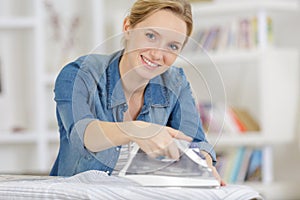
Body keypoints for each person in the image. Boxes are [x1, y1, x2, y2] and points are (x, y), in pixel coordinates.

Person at [50, 0, 225, 186]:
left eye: (173, 46)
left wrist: (204, 167)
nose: (158, 54)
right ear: (127, 28)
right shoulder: (79, 74)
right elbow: (83, 134)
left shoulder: (176, 83)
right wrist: (137, 130)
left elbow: (197, 143)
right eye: (151, 36)